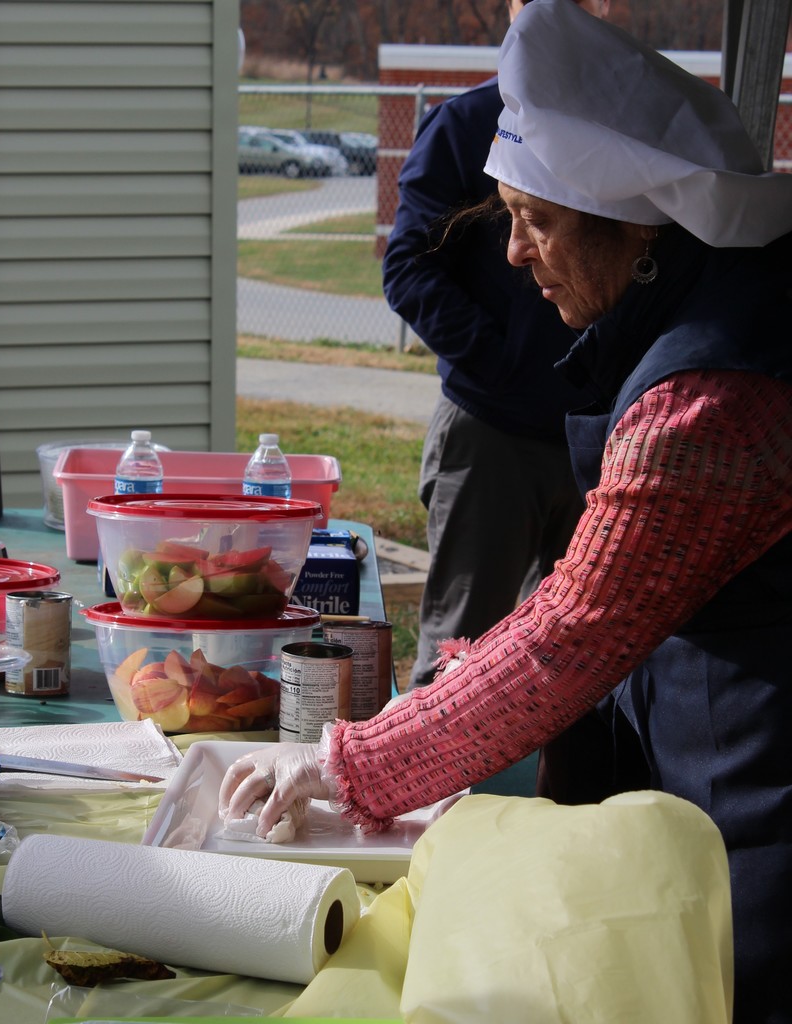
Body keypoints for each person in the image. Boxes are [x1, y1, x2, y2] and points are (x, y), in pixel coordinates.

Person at [220, 2, 792, 1020]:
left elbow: (573, 634)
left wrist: (349, 762)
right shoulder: (696, 310)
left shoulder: (708, 403)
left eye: (532, 220)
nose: (515, 255)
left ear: (634, 232)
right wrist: (451, 681)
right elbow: (582, 601)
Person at [382, 0, 608, 690]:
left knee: (580, 672)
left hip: (596, 437)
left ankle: (555, 802)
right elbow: (409, 268)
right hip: (491, 439)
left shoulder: (619, 129)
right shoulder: (469, 124)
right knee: (457, 668)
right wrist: (503, 362)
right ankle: (422, 795)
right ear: (513, 8)